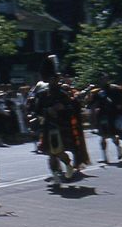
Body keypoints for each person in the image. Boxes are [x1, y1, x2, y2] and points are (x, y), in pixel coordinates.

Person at [31, 55, 90, 186]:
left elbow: (72, 108)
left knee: (57, 151)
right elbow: (36, 110)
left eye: (55, 78)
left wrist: (62, 107)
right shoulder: (41, 94)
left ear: (57, 79)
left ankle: (68, 165)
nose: (53, 80)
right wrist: (47, 111)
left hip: (62, 126)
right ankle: (56, 173)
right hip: (48, 126)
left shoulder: (63, 94)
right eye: (51, 78)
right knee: (51, 154)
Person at [86, 73, 122, 164]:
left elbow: (120, 102)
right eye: (101, 79)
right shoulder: (97, 91)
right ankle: (105, 157)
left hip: (112, 115)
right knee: (102, 136)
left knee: (113, 135)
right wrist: (89, 94)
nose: (103, 80)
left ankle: (118, 148)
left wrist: (119, 110)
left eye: (104, 78)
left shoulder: (114, 89)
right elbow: (92, 103)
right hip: (102, 115)